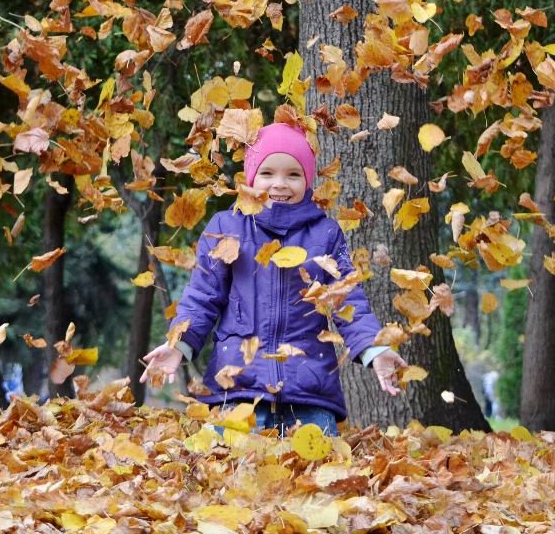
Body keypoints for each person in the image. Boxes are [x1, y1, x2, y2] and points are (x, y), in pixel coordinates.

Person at [141, 123, 407, 436]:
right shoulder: (227, 227)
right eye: (267, 173)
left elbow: (348, 299)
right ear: (252, 176)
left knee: (312, 475)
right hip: (239, 387)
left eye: (293, 174)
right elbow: (203, 296)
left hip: (309, 389)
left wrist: (374, 350)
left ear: (307, 179)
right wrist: (179, 343)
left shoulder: (326, 234)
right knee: (235, 474)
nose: (280, 184)